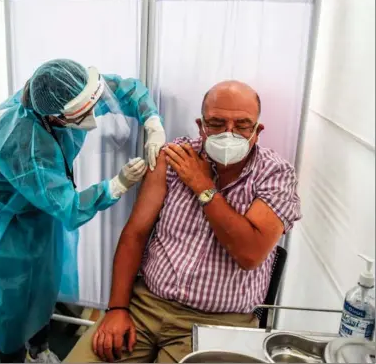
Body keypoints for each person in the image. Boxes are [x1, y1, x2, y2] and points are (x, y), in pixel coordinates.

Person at [65, 80, 302, 363]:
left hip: (220, 323)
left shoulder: (275, 175)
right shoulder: (174, 157)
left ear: (257, 131)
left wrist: (202, 186)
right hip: (145, 306)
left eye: (242, 125)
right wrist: (117, 308)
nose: (229, 134)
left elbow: (249, 254)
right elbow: (136, 233)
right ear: (201, 125)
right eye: (216, 123)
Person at [0, 59, 166, 363]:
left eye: (91, 105)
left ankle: (39, 346)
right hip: (3, 220)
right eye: (82, 114)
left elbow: (124, 90)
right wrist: (117, 185)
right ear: (56, 117)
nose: (92, 116)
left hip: (41, 203)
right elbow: (69, 209)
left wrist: (152, 121)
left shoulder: (69, 93)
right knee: (13, 297)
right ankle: (12, 356)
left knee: (45, 279)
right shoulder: (25, 145)